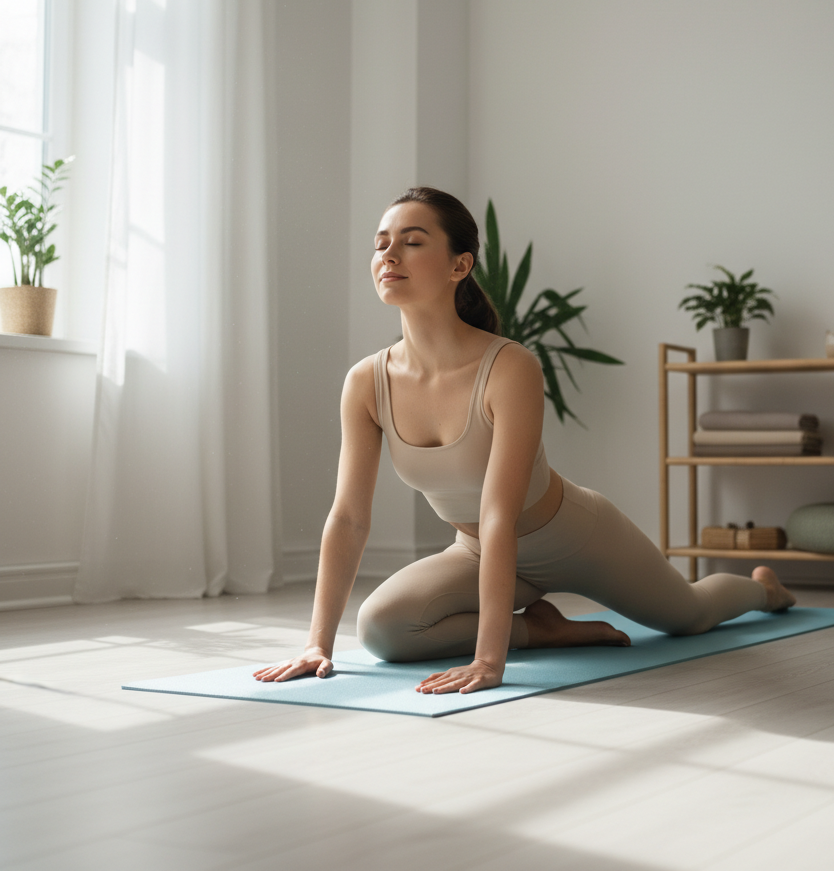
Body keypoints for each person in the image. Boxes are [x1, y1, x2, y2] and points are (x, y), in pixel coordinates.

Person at [254, 188, 795, 695]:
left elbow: (499, 514)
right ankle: (541, 630)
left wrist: (489, 660)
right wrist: (316, 645)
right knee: (382, 630)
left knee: (690, 615)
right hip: (476, 550)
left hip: (575, 537)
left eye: (412, 242)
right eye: (380, 244)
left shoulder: (509, 366)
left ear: (460, 266)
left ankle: (765, 590)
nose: (389, 254)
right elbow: (349, 517)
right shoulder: (366, 382)